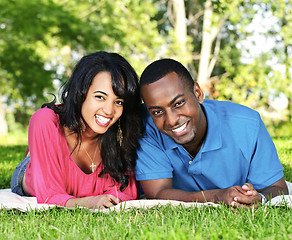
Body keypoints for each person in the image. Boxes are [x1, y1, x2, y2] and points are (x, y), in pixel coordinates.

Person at [135, 58, 289, 208]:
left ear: (198, 93)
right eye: (157, 112)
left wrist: (257, 198)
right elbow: (157, 193)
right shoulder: (146, 128)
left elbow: (277, 188)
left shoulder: (247, 124)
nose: (171, 120)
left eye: (179, 103)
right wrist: (217, 196)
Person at [11, 51, 144, 209]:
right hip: (30, 176)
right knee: (40, 159)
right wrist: (88, 202)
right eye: (100, 97)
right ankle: (33, 156)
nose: (109, 111)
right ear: (81, 94)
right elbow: (48, 195)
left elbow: (126, 193)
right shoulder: (45, 120)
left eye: (119, 102)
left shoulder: (120, 131)